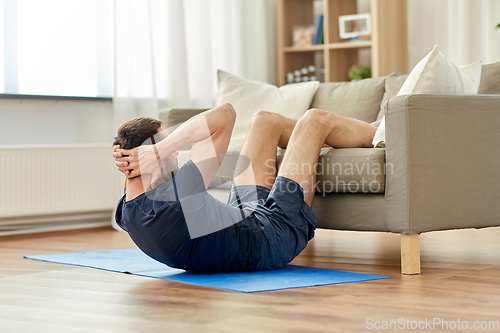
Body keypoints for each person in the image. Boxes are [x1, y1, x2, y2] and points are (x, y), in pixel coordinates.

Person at [113, 103, 376, 273]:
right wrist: (161, 149)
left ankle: (322, 143)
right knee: (314, 120)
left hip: (245, 217)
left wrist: (133, 157)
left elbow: (135, 183)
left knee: (265, 121)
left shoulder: (128, 212)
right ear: (151, 157)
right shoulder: (178, 197)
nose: (175, 154)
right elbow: (225, 114)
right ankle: (383, 135)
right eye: (169, 149)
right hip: (275, 234)